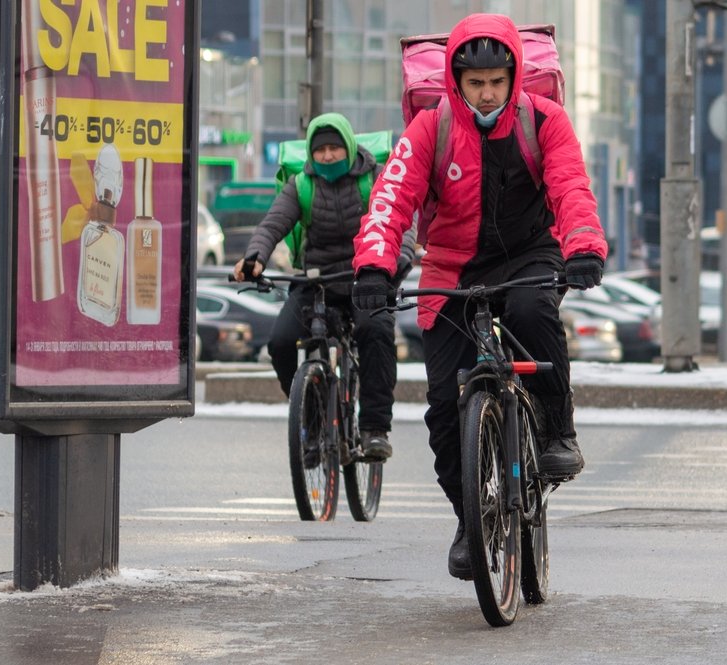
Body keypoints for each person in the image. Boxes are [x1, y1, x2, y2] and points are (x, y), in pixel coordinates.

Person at [350, 14, 608, 580]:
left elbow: (570, 186)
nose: (487, 93)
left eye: (496, 81)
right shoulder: (430, 128)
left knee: (532, 312)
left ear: (514, 77)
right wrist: (374, 266)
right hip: (452, 266)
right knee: (445, 410)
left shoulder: (545, 120)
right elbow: (391, 199)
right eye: (475, 83)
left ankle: (557, 429)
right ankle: (470, 520)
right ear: (456, 81)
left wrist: (584, 247)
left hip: (530, 254)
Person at [233, 112, 416, 462]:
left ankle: (375, 429)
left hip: (368, 276)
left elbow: (401, 218)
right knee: (281, 342)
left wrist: (400, 257)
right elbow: (272, 225)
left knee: (376, 333)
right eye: (320, 150)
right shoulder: (301, 185)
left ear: (349, 146)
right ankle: (311, 417)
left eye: (335, 148)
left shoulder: (376, 178)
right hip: (316, 280)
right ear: (310, 154)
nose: (328, 155)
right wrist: (255, 257)